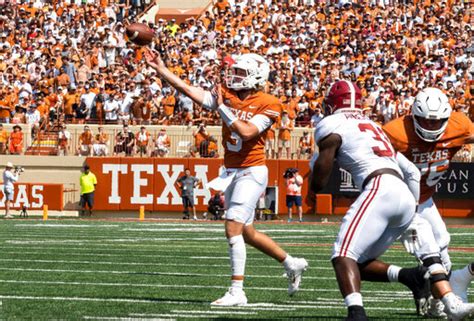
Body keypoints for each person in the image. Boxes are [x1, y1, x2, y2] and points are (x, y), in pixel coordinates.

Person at [145, 49, 308, 307]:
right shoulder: (228, 96)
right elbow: (190, 91)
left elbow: (246, 132)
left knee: (232, 226)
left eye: (242, 72)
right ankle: (291, 262)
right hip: (232, 172)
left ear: (256, 77)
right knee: (247, 232)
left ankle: (237, 291)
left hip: (252, 171)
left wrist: (221, 106)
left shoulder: (269, 102)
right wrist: (161, 69)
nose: (235, 76)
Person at [310, 80, 473, 321]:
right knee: (420, 254)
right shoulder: (377, 127)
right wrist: (414, 213)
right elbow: (413, 173)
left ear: (330, 105)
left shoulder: (331, 123)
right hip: (407, 193)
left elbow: (319, 181)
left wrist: (315, 177)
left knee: (343, 254)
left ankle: (356, 314)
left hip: (380, 186)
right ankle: (441, 296)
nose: (432, 125)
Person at [383, 87, 474, 314]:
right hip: (400, 200)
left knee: (443, 241)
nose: (431, 126)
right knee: (432, 251)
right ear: (413, 115)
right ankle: (446, 302)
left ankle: (433, 300)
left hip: (424, 198)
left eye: (437, 122)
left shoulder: (459, 126)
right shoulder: (395, 132)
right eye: (425, 120)